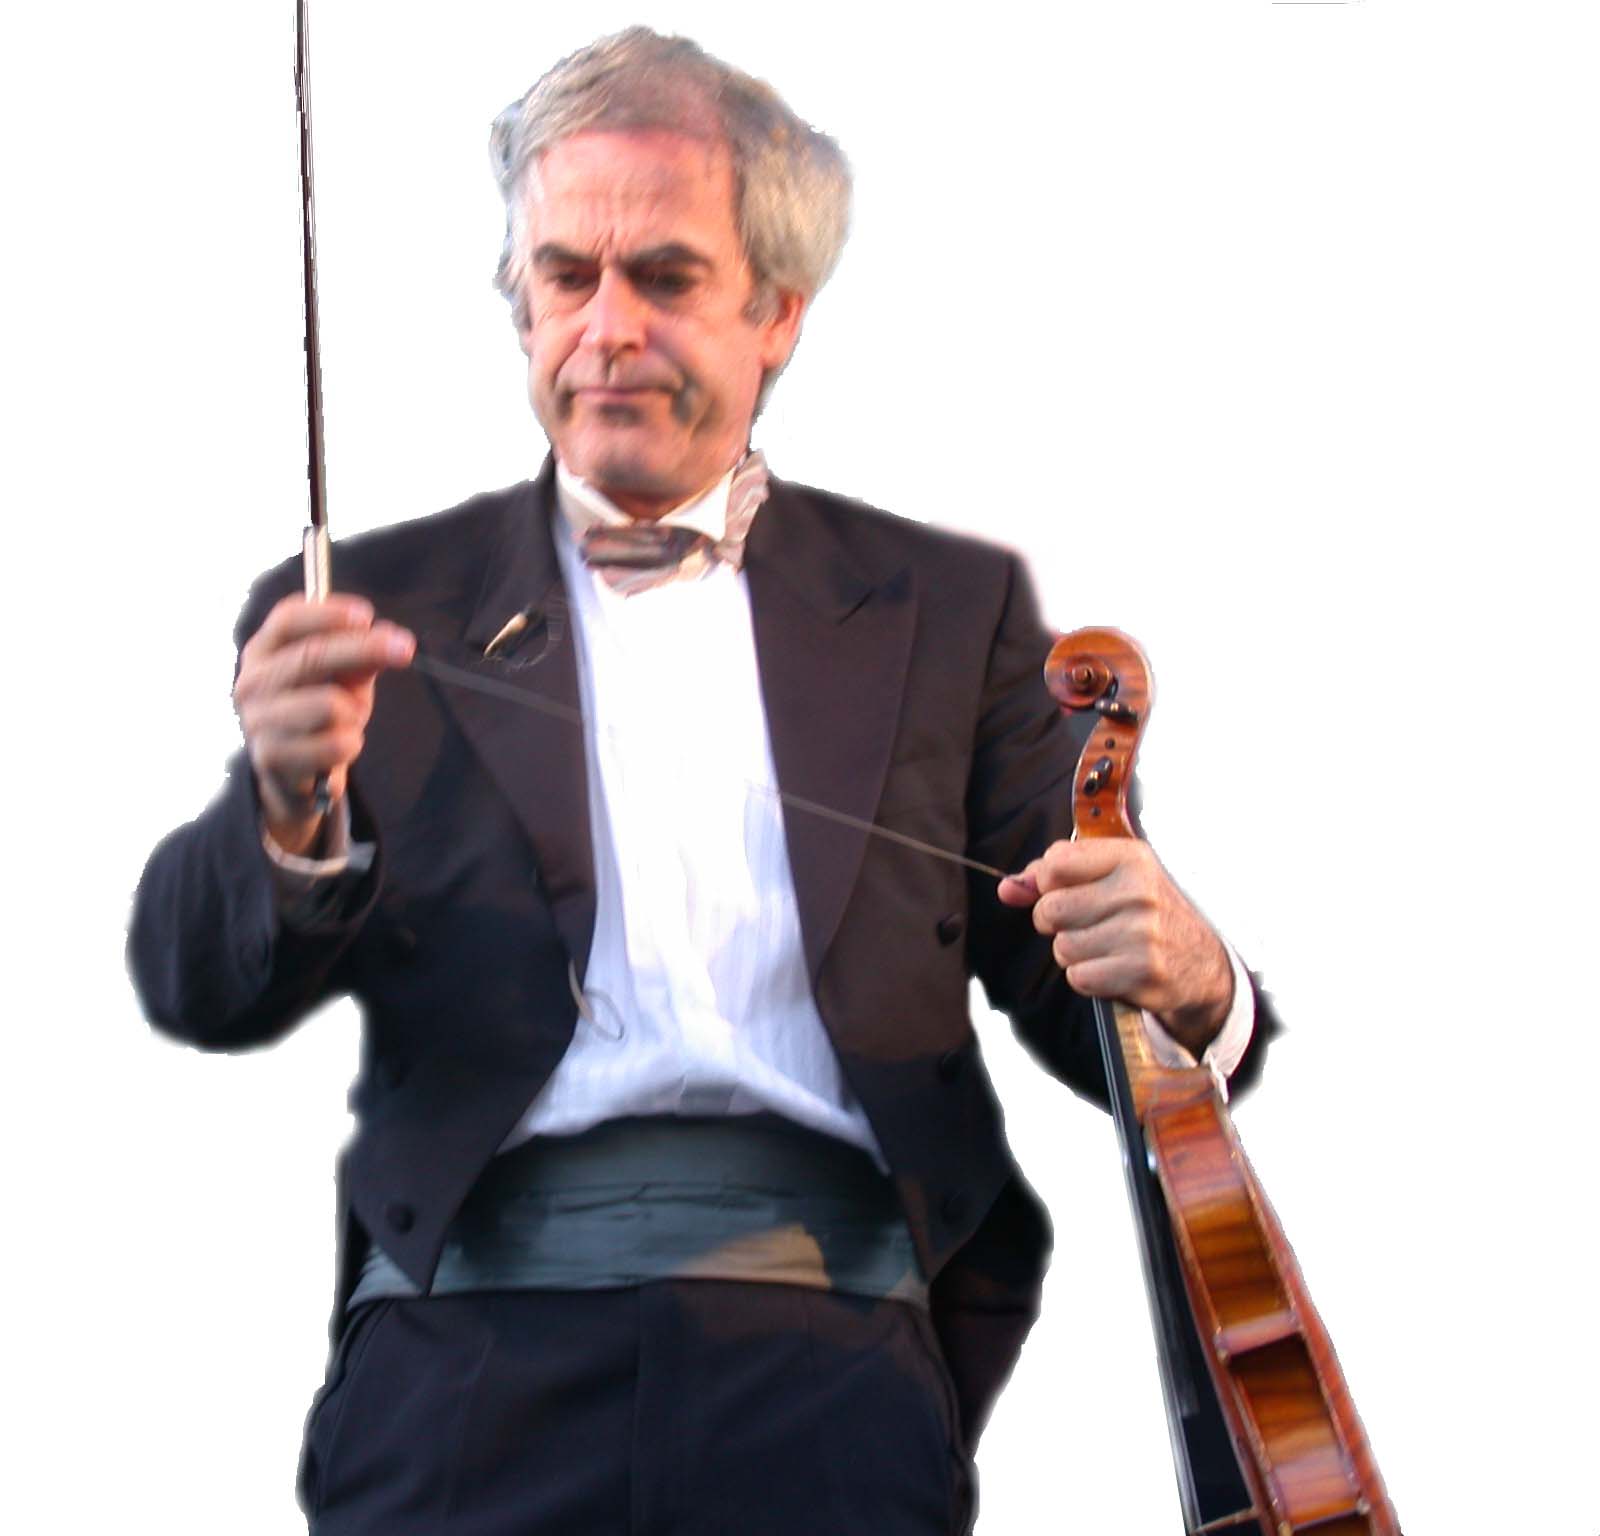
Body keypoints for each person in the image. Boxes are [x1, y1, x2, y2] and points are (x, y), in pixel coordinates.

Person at [128, 26, 1271, 1536]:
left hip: (830, 1378)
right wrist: (284, 813)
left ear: (777, 309)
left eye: (664, 277)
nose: (606, 328)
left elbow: (1083, 991)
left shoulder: (947, 612)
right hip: (464, 1378)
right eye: (565, 276)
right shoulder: (362, 607)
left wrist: (1195, 979)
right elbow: (198, 981)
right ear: (519, 299)